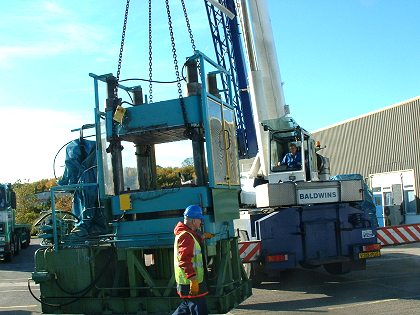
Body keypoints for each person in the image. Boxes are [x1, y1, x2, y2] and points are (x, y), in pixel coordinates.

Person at [172, 205, 209, 315]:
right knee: (199, 310)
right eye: (199, 219)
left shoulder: (186, 234)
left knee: (185, 309)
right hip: (191, 283)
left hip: (187, 282)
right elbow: (184, 260)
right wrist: (193, 279)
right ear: (193, 221)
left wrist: (201, 237)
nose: (201, 222)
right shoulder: (186, 237)